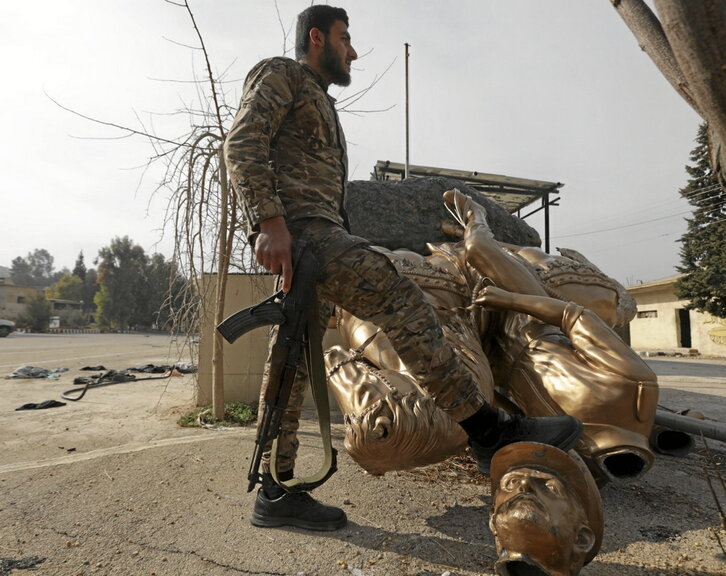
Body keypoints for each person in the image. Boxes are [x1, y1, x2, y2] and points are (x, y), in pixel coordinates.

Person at [224, 5, 581, 531]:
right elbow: (242, 143)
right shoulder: (283, 75)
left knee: (292, 364)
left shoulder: (319, 100)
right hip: (306, 236)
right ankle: (487, 430)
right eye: (345, 39)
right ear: (317, 38)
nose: (353, 52)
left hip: (313, 242)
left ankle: (275, 492)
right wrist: (270, 223)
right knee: (401, 298)